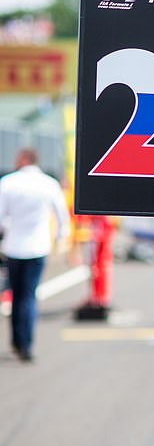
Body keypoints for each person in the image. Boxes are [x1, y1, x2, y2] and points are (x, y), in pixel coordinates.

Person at [0, 147, 70, 360]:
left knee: (16, 294)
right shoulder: (49, 184)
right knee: (29, 296)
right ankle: (26, 345)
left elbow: (1, 217)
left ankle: (16, 339)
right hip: (38, 247)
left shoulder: (8, 182)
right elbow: (62, 217)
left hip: (13, 246)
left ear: (22, 160)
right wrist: (59, 239)